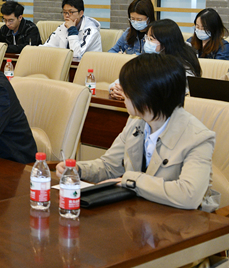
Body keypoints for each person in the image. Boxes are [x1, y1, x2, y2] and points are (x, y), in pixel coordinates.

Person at [56, 53, 217, 211]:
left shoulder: (198, 137)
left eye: (127, 89)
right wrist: (79, 169)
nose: (122, 94)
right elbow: (109, 166)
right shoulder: (135, 121)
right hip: (140, 213)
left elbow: (189, 195)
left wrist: (131, 180)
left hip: (177, 221)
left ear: (147, 96)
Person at [110, 19, 201, 100]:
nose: (147, 42)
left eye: (151, 39)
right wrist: (116, 89)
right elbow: (121, 81)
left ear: (165, 42)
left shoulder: (181, 66)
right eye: (147, 38)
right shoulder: (149, 58)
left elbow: (167, 96)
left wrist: (131, 95)